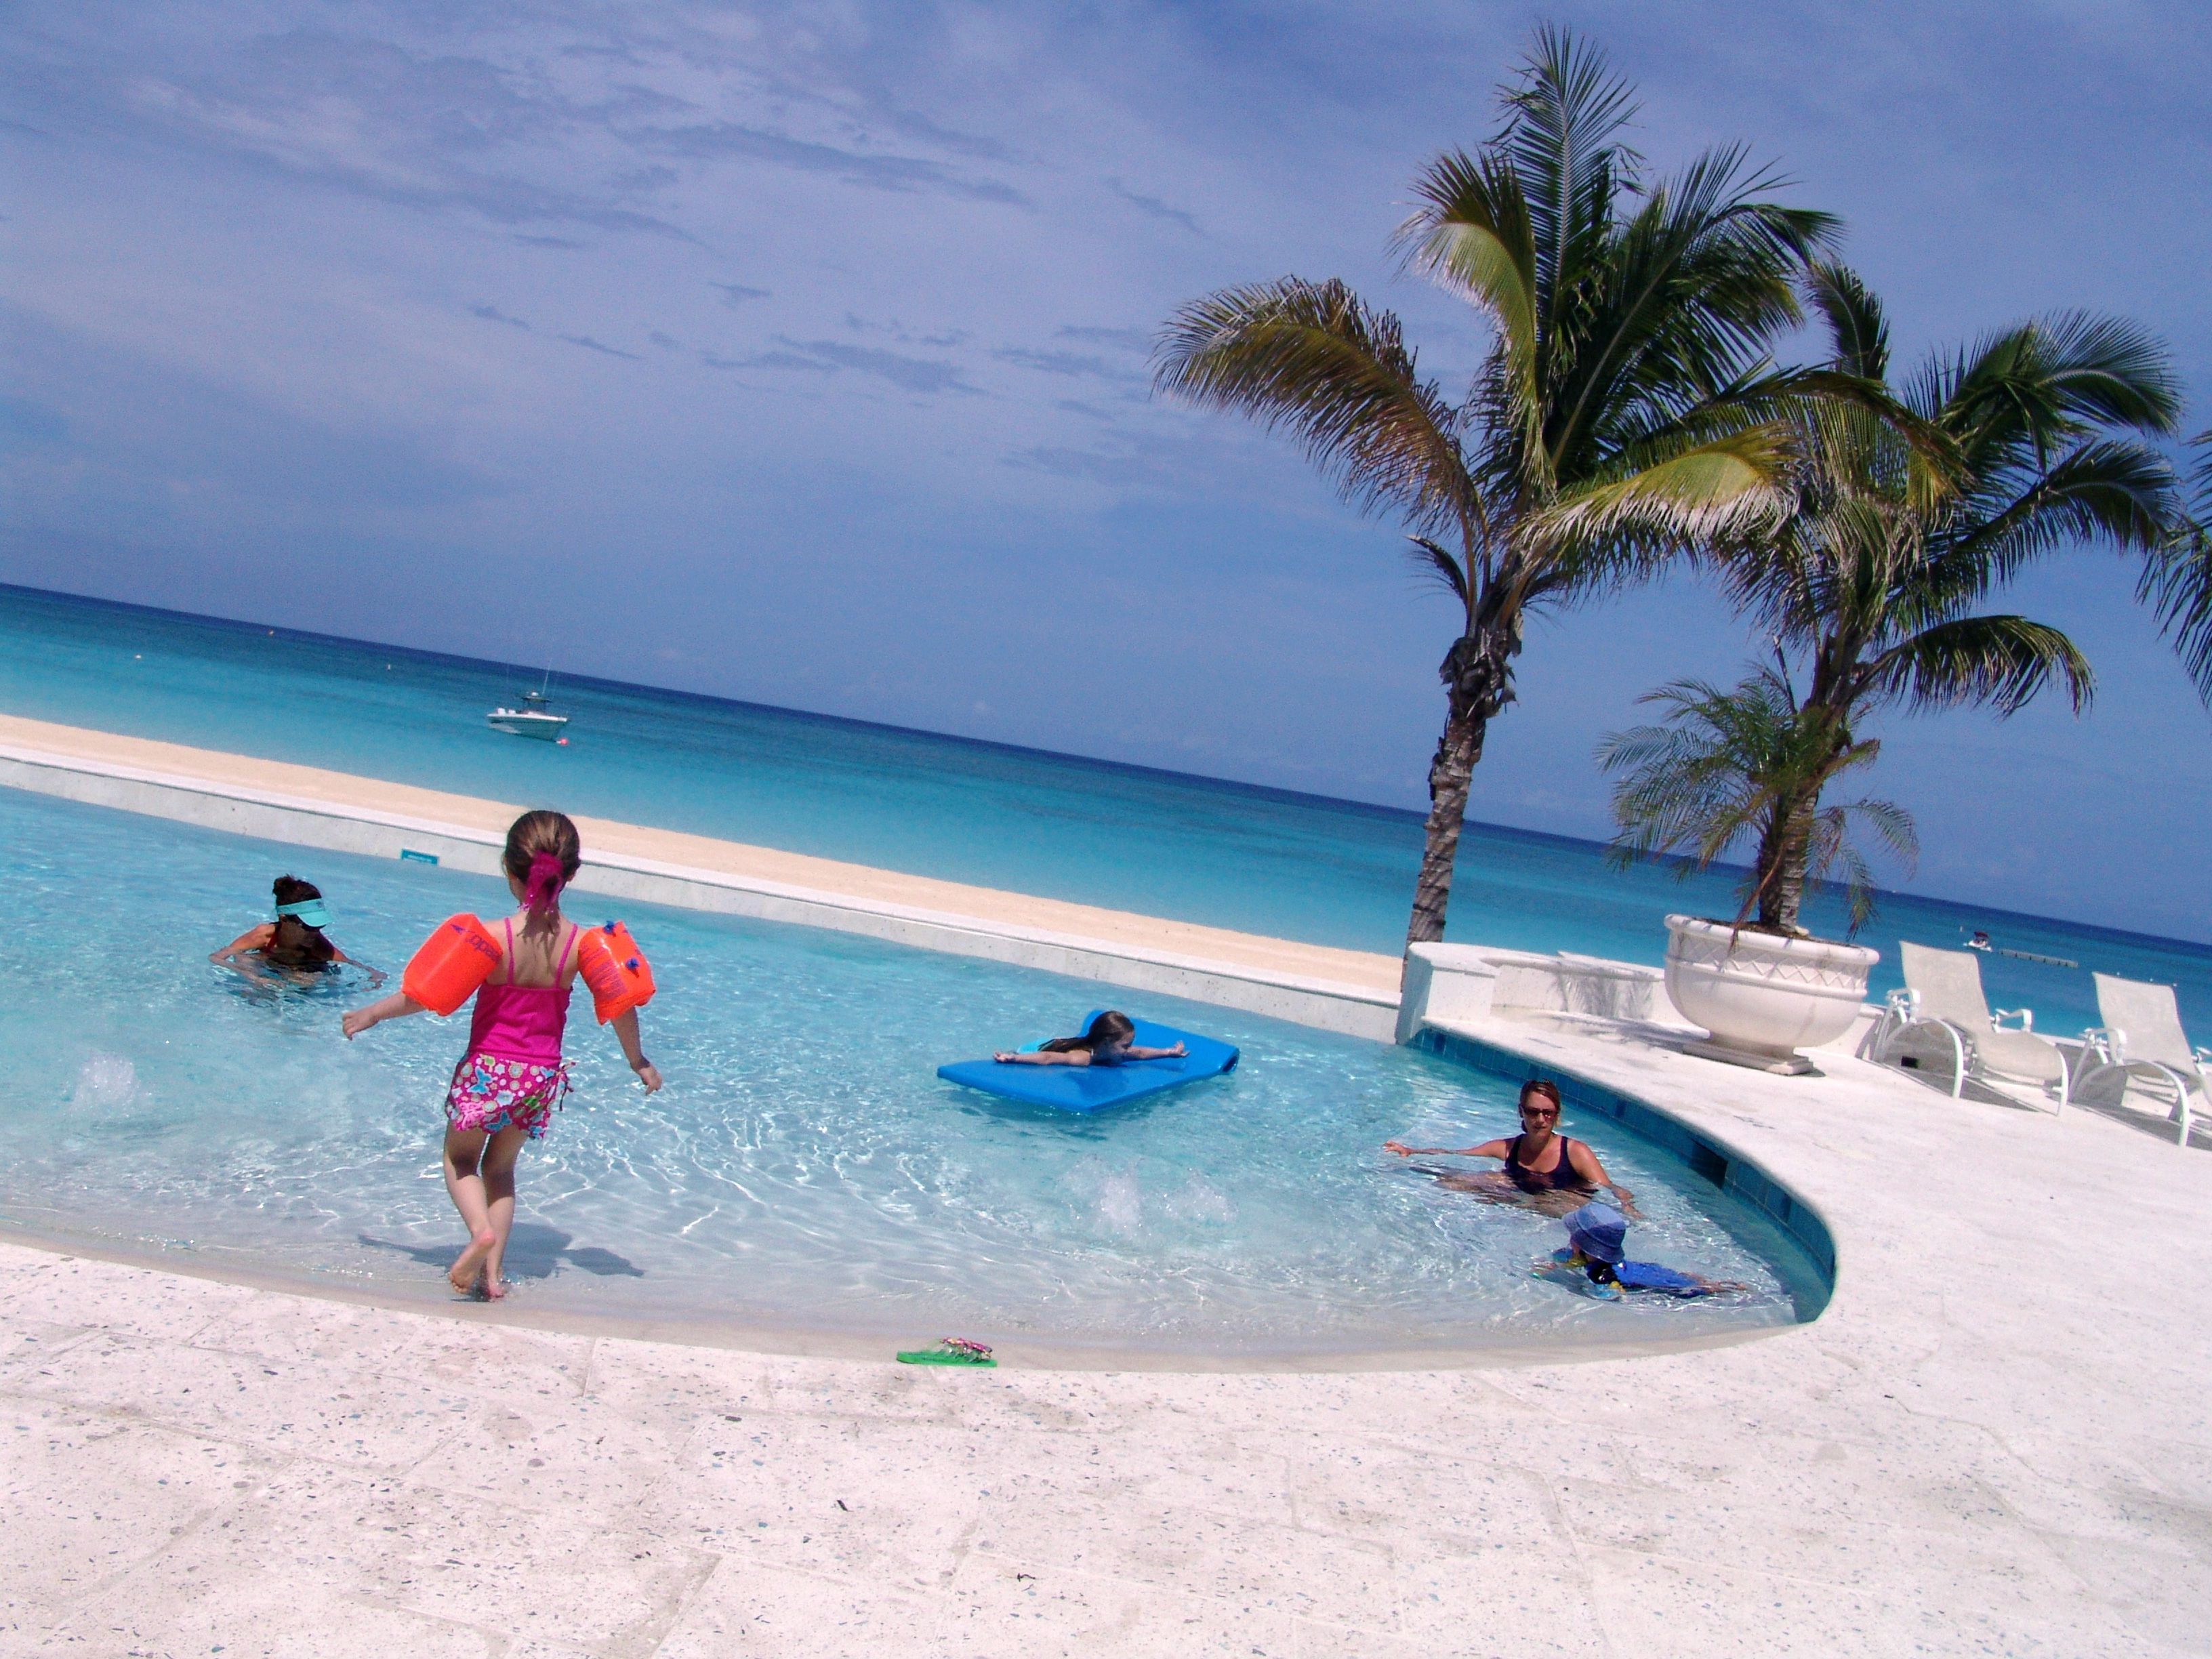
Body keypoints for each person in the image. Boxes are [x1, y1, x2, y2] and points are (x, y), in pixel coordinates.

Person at [341, 811, 662, 1300]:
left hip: (488, 1071)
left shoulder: (491, 939)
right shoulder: (583, 947)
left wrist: (372, 1014)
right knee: (502, 1172)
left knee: (460, 1160)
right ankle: (492, 1278)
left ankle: (479, 1232)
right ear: (571, 875)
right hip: (539, 1078)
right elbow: (620, 1007)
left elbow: (426, 994)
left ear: (508, 871)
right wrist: (637, 1060)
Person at [1384, 1078, 1641, 1218]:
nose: (1540, 1119)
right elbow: (1458, 1153)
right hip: (1525, 1195)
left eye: (1548, 1113)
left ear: (1557, 1116)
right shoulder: (1508, 1148)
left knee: (1557, 1204)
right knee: (1452, 1181)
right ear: (1521, 1112)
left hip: (1561, 1202)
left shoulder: (1575, 1151)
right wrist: (1412, 1151)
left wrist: (1627, 1206)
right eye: (1533, 1112)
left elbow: (1609, 1187)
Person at [1541, 1204, 1747, 1300]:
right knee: (1681, 1277)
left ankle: (1728, 1288)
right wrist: (1550, 1267)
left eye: (1574, 1237)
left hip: (1650, 1281)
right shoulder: (1585, 1258)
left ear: (1586, 1245)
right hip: (1645, 1269)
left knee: (1694, 1287)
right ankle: (1716, 1284)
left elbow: (1613, 1294)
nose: (1570, 1241)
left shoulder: (1602, 1275)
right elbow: (1562, 1258)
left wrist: (1589, 1291)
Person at [210, 876, 383, 986]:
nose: (314, 932)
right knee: (244, 960)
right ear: (284, 920)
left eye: (319, 926)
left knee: (311, 980)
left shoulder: (316, 944)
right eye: (308, 926)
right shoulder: (264, 935)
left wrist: (374, 975)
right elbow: (217, 957)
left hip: (297, 972)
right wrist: (252, 976)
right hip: (268, 966)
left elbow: (350, 964)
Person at [991, 1009, 1187, 1067]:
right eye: (1126, 1046)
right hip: (1035, 1050)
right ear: (1107, 1042)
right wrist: (1014, 1057)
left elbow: (1141, 1053)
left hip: (1060, 1043)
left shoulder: (1113, 1051)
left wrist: (1169, 1052)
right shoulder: (1084, 1057)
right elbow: (1049, 1058)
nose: (1129, 1050)